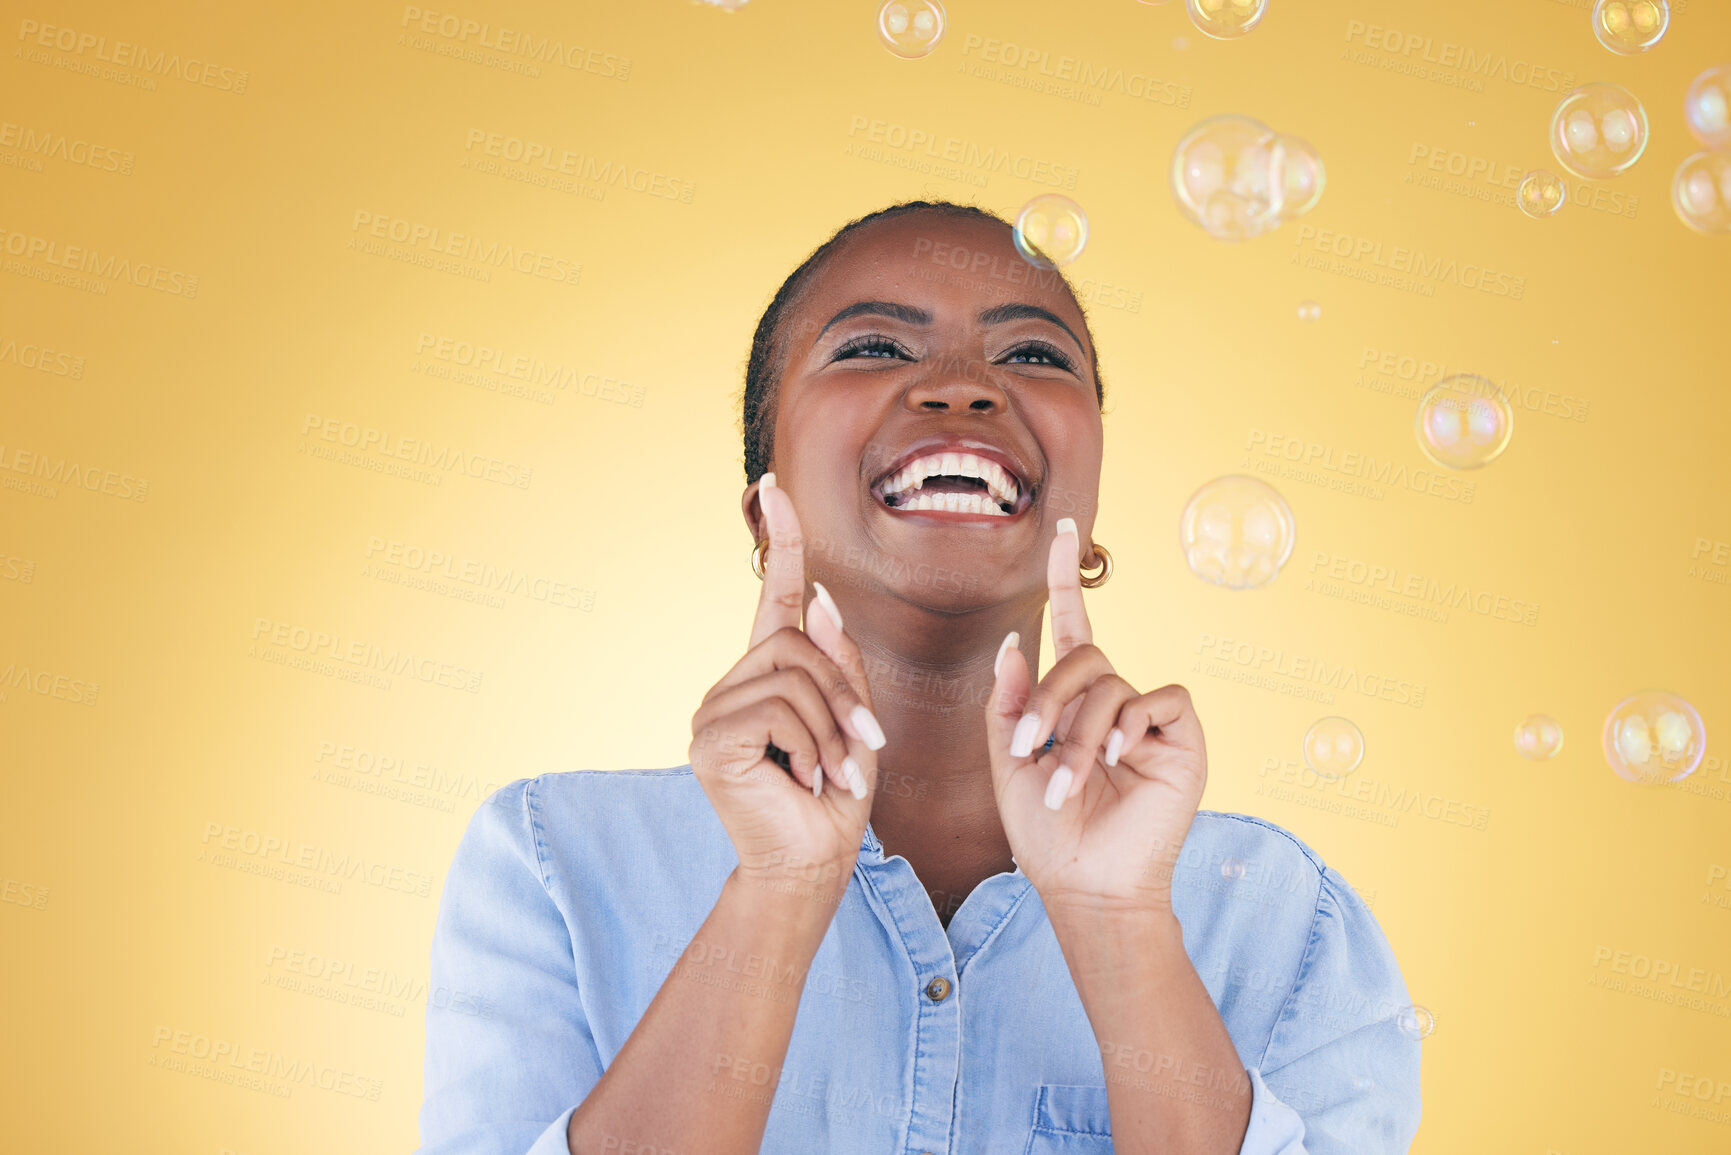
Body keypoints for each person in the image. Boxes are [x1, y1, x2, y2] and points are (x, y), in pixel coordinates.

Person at [415, 201, 1422, 1155]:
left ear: (1089, 510)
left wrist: (1121, 928)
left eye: (1032, 354)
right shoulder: (554, 866)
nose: (961, 385)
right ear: (766, 515)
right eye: (872, 346)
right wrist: (777, 892)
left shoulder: (1283, 919)